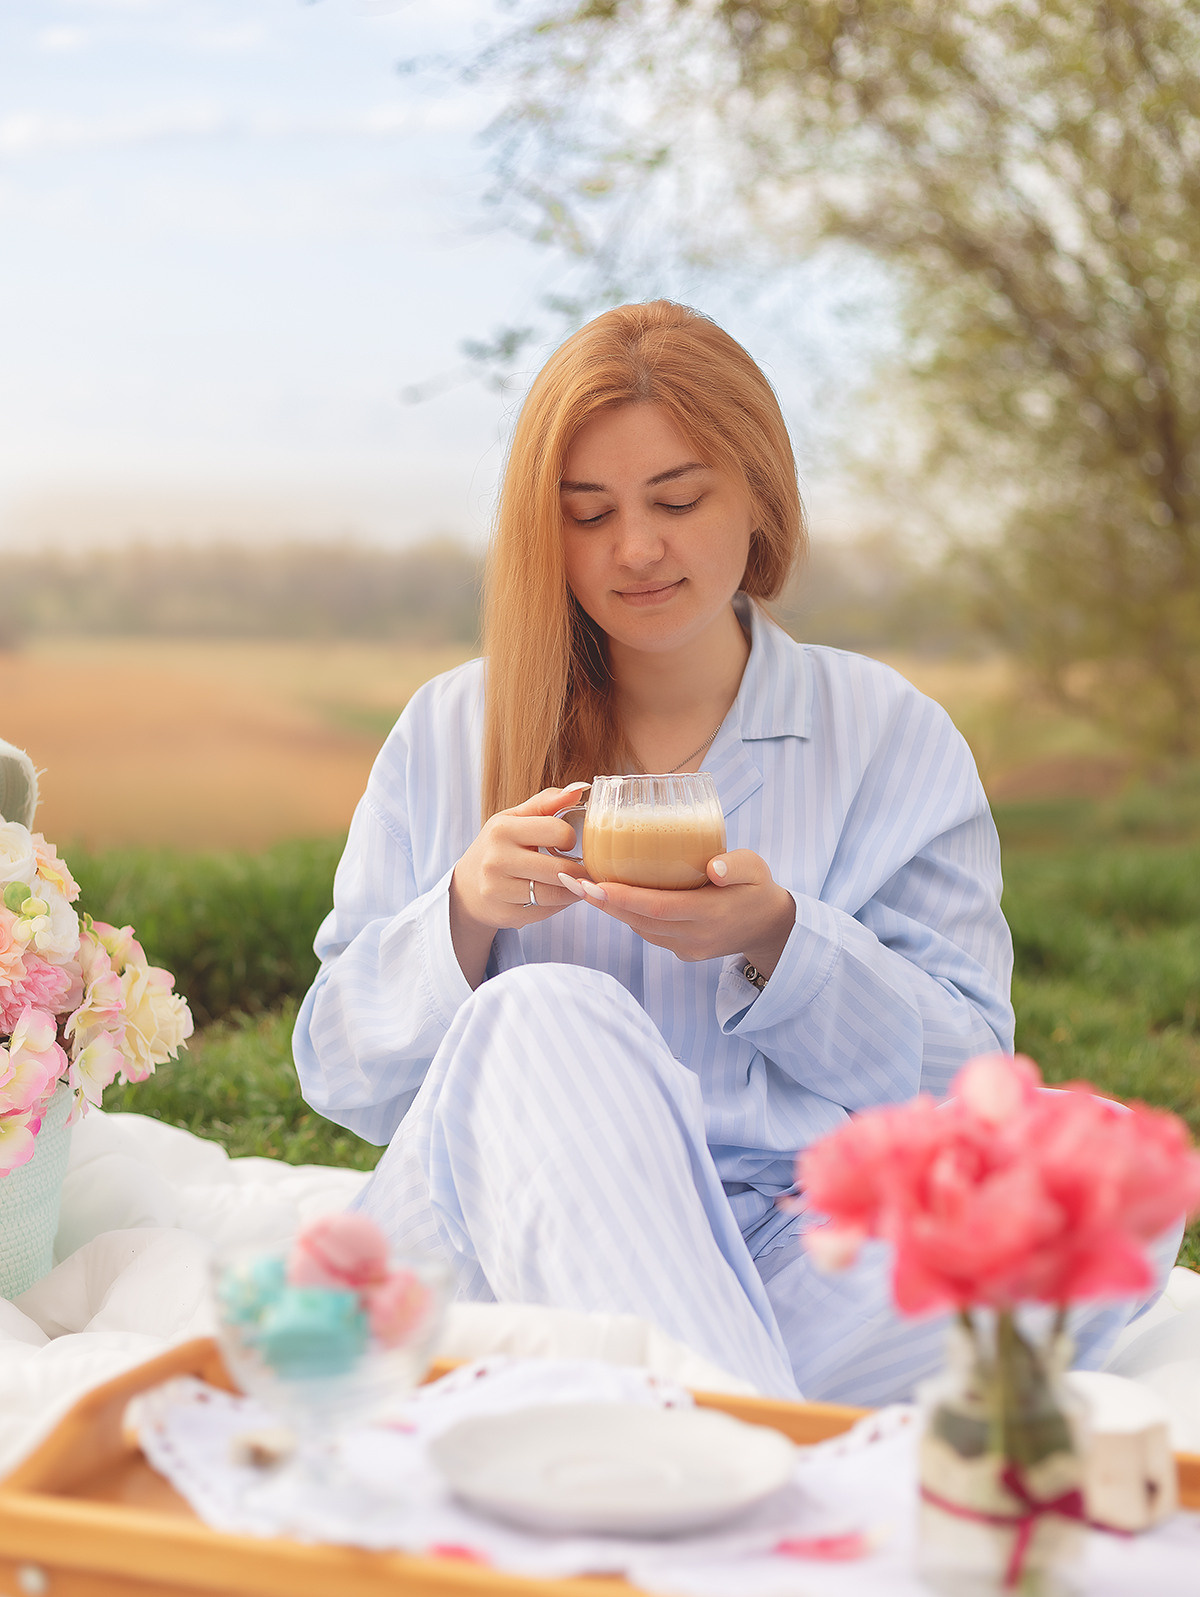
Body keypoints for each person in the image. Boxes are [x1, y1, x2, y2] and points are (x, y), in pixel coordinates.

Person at [294, 300, 1090, 1401]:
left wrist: (784, 942)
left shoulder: (886, 734)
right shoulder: (452, 728)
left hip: (791, 1250)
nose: (636, 549)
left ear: (760, 493)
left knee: (1088, 1172)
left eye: (677, 498)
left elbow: (970, 1082)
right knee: (542, 1015)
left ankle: (669, 1390)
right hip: (503, 1239)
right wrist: (464, 912)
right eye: (587, 513)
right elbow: (339, 1072)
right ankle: (734, 1425)